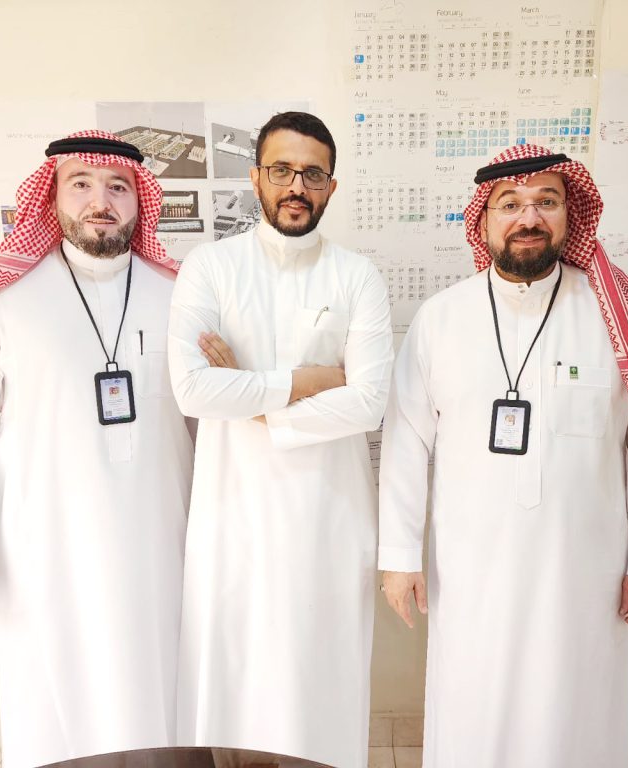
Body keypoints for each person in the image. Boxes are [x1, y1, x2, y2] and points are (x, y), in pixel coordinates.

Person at [378, 144, 628, 768]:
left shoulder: (620, 316)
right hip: (471, 572)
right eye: (510, 204)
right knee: (473, 711)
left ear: (571, 216)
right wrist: (399, 557)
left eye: (547, 201)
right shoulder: (442, 319)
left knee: (575, 715)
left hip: (583, 572)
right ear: (484, 219)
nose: (529, 217)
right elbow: (406, 442)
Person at [0, 130, 193, 768]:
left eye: (118, 187)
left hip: (162, 542)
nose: (100, 201)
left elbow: (210, 421)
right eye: (81, 184)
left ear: (139, 201)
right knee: (56, 702)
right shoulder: (5, 301)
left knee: (158, 694)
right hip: (48, 548)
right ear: (52, 197)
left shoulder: (181, 295)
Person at [168, 112, 393, 767]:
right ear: (256, 178)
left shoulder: (357, 276)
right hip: (232, 515)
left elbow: (369, 402)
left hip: (327, 516)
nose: (297, 186)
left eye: (313, 174)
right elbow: (194, 391)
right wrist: (307, 381)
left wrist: (255, 397)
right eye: (282, 170)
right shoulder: (210, 268)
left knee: (318, 683)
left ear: (331, 186)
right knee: (235, 685)